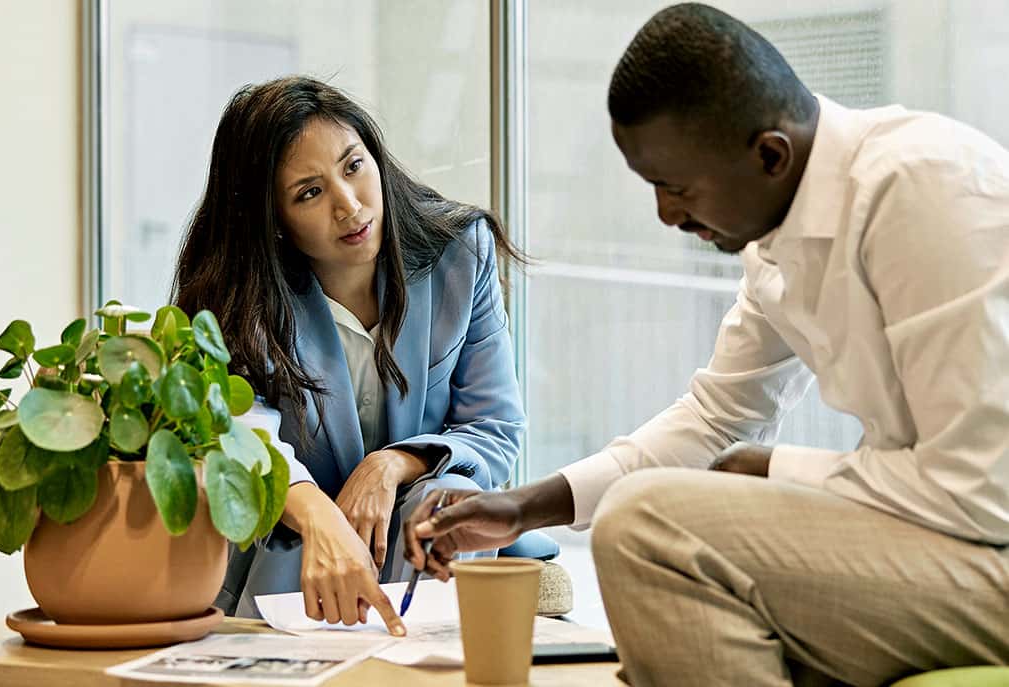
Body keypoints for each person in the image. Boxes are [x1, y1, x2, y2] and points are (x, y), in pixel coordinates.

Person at [403, 3, 1009, 685]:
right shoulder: (779, 237)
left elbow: (979, 493)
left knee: (652, 531)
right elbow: (715, 418)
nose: (666, 214)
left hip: (990, 550)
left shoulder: (922, 190)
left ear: (770, 155)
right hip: (949, 544)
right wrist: (522, 505)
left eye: (677, 187)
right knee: (667, 606)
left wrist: (771, 469)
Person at [172, 75, 530, 637]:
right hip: (284, 540)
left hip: (419, 520)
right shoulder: (236, 297)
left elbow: (495, 427)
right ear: (273, 220)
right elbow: (236, 432)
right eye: (309, 192)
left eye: (354, 166)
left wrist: (390, 465)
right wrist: (317, 514)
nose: (349, 204)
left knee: (447, 498)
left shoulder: (461, 254)